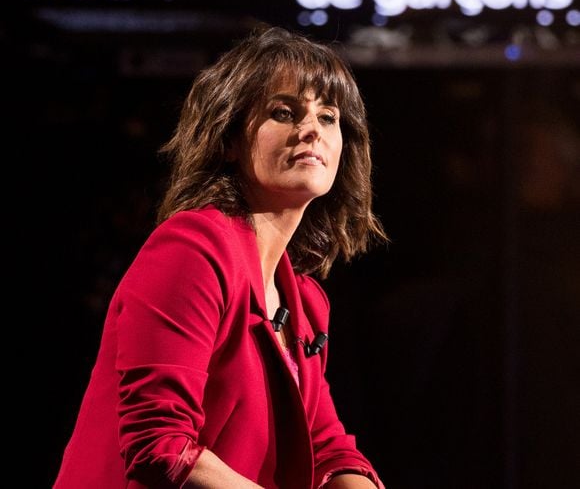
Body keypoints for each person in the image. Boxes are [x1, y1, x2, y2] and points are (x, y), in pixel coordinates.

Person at [53, 25, 387, 489]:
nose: (311, 129)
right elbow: (160, 446)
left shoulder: (305, 301)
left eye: (328, 117)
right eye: (284, 112)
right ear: (229, 141)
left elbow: (328, 448)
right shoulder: (191, 249)